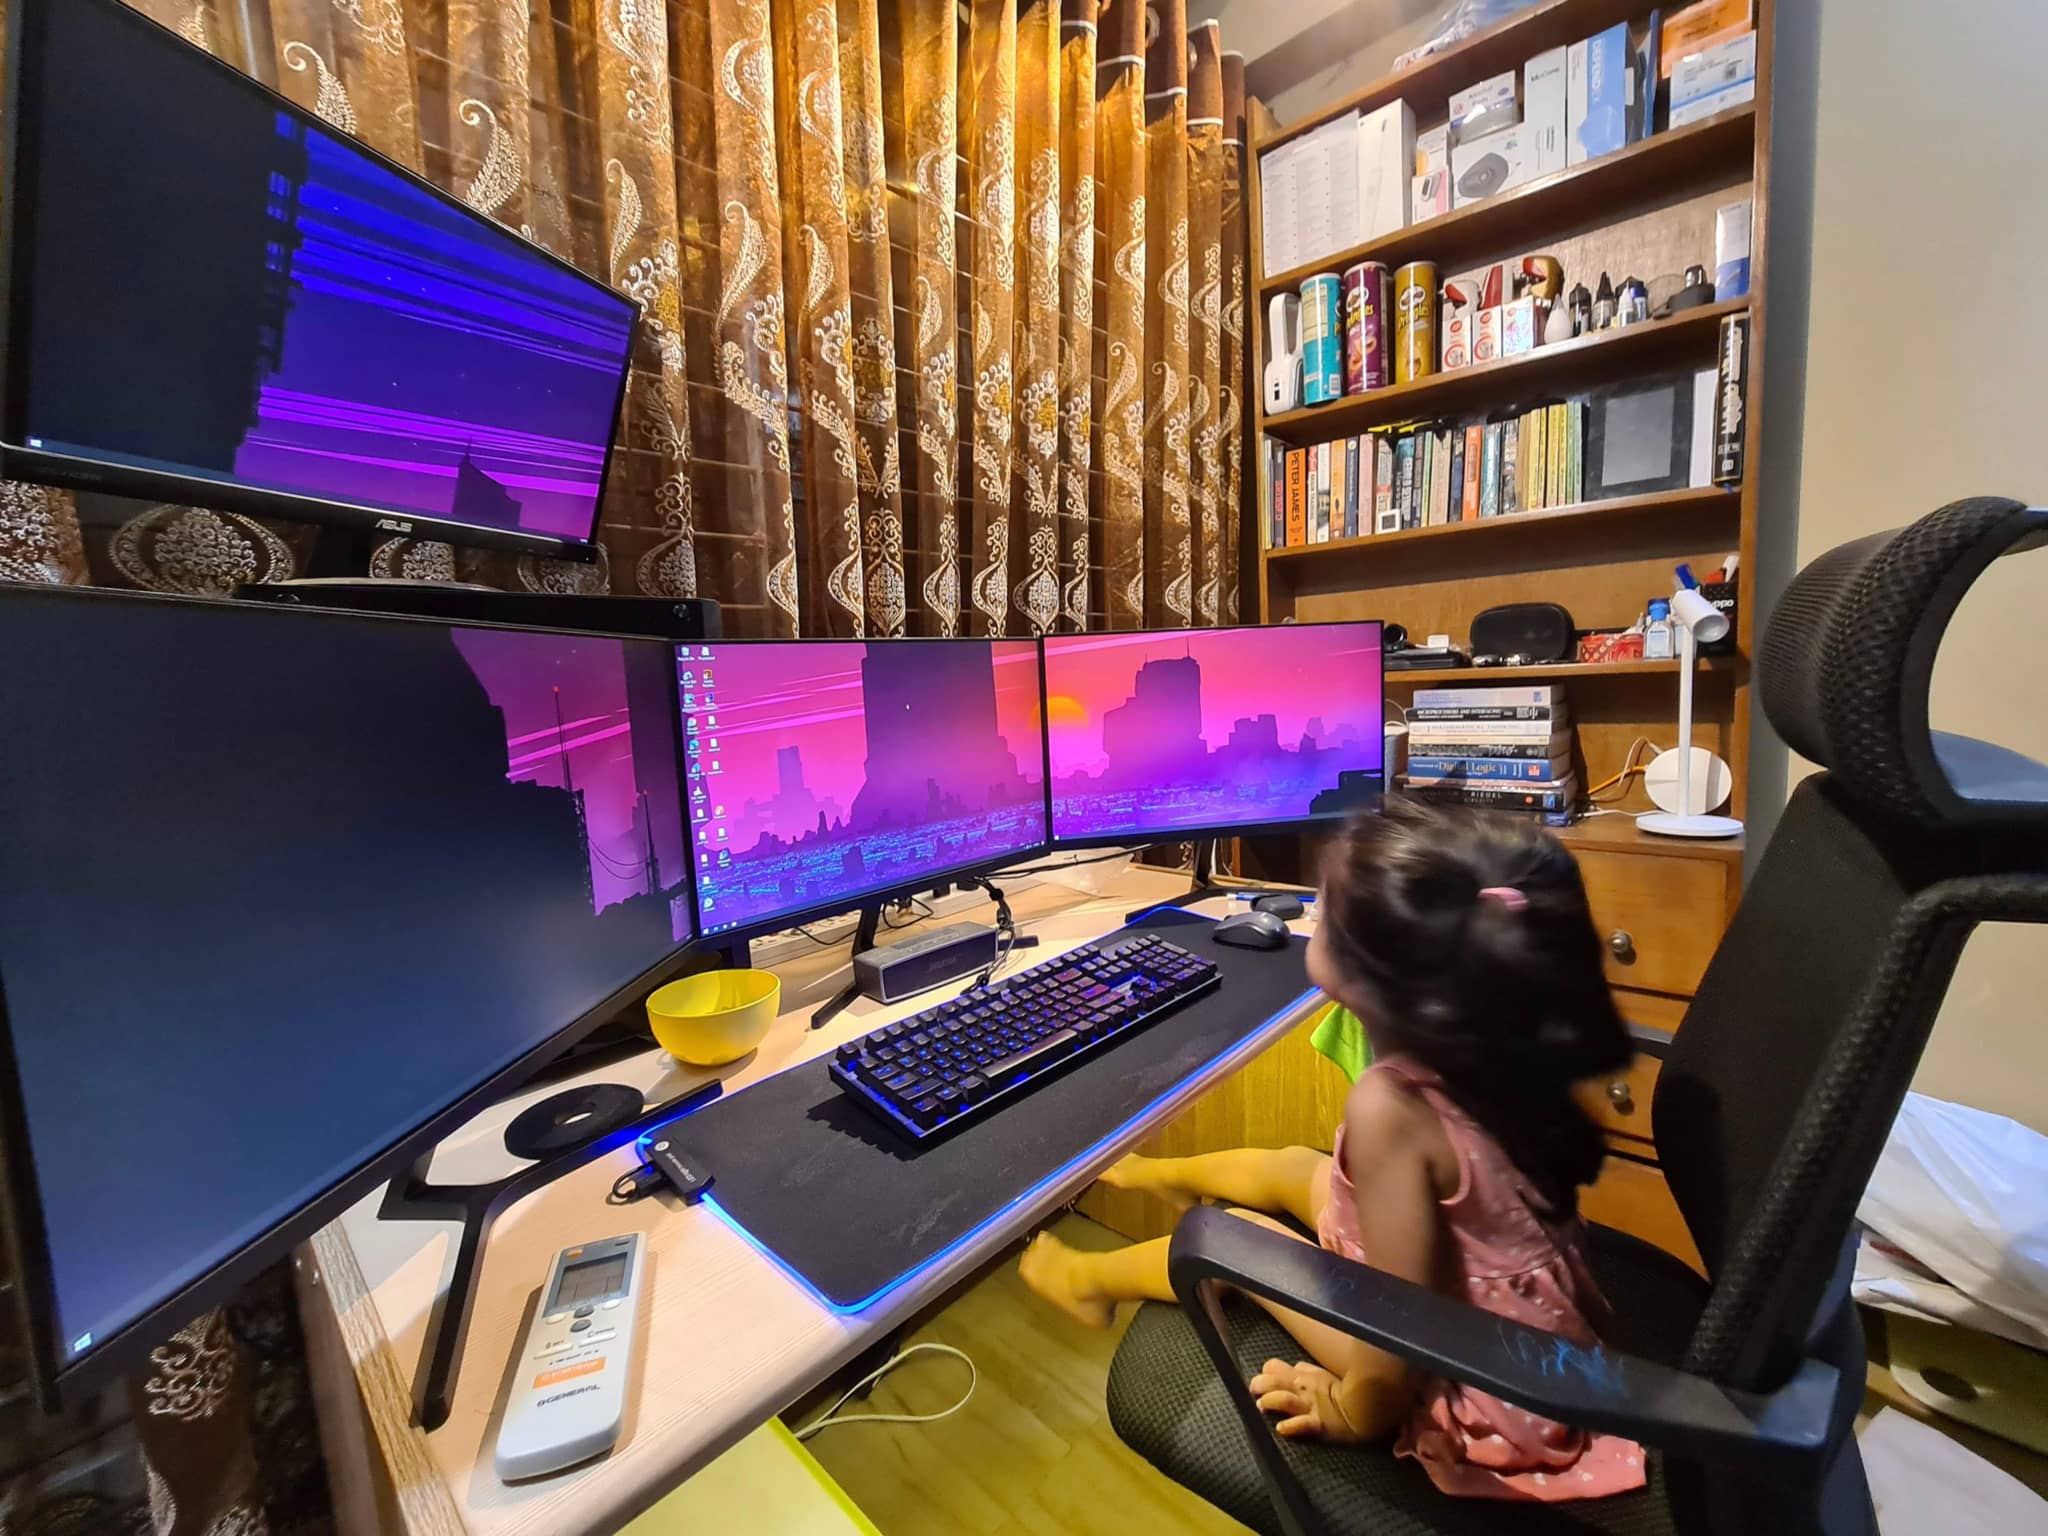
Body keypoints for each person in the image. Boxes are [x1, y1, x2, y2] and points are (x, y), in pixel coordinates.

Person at [1019, 804, 1646, 1500]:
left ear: (1365, 975)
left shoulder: (1390, 1108)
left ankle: (1089, 1282)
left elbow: (1398, 1323)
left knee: (1232, 1235)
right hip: (1500, 1304)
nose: (1312, 917)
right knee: (1295, 1164)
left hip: (1475, 1374)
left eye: (1325, 913)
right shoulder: (1492, 1038)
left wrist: (1354, 1409)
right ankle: (1158, 1173)